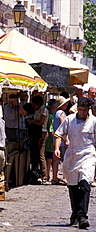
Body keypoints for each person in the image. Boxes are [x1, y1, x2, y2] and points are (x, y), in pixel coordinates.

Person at [54, 97, 96, 229]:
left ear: (88, 110)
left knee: (85, 184)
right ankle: (75, 213)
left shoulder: (94, 122)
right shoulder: (69, 120)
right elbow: (59, 134)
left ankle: (83, 216)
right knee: (73, 186)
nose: (82, 113)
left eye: (84, 110)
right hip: (72, 155)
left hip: (88, 154)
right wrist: (56, 148)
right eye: (80, 110)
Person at [28, 95, 48, 183]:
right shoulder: (38, 110)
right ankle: (37, 172)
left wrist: (32, 121)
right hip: (37, 133)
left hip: (42, 133)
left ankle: (44, 175)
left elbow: (41, 122)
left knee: (41, 154)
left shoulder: (43, 110)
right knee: (36, 153)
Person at [52, 96, 70, 185]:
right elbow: (64, 126)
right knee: (65, 159)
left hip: (55, 138)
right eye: (65, 103)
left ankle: (54, 177)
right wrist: (66, 139)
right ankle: (65, 177)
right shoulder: (62, 113)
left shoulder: (55, 112)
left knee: (56, 159)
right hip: (61, 139)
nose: (67, 104)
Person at [45, 99, 57, 183]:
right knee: (49, 159)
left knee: (50, 158)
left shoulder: (50, 115)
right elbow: (51, 130)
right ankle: (47, 175)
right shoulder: (51, 116)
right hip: (50, 141)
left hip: (49, 140)